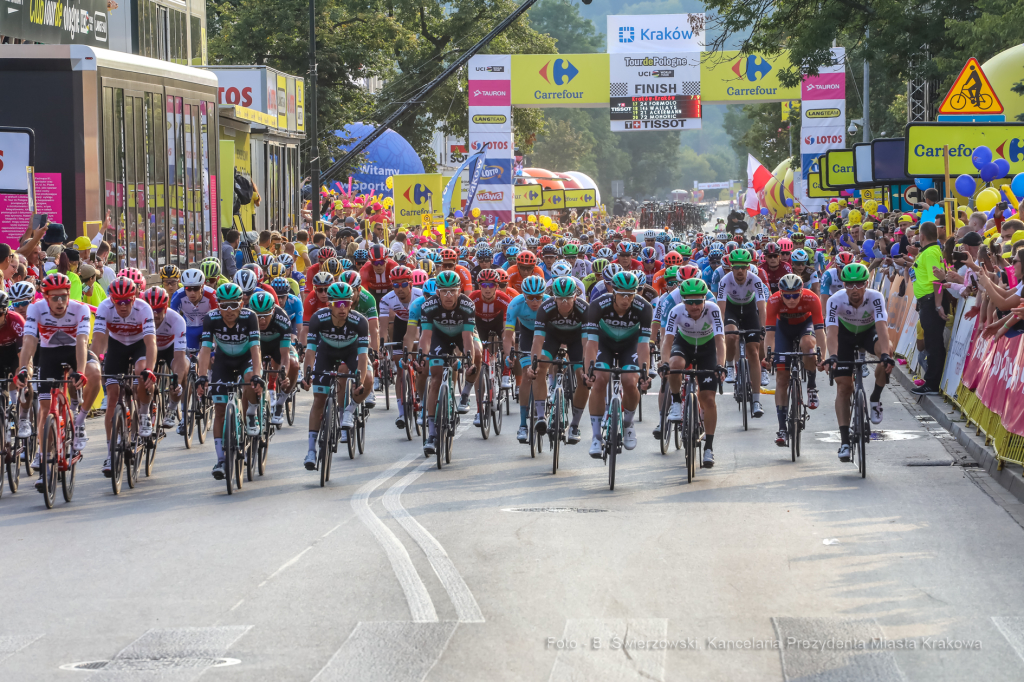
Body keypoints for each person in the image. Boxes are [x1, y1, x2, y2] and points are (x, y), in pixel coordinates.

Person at [16, 273, 102, 489]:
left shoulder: (79, 309)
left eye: (64, 296)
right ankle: (45, 460)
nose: (60, 302)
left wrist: (80, 372)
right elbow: (29, 341)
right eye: (55, 298)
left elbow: (82, 342)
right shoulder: (35, 309)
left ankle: (78, 419)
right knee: (45, 409)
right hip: (49, 354)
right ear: (45, 297)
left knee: (92, 374)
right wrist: (22, 370)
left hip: (75, 351)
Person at [820, 263, 895, 462]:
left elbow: (882, 327)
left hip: (867, 333)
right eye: (850, 285)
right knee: (844, 388)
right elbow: (832, 332)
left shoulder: (875, 297)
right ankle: (845, 441)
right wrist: (833, 355)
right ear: (844, 285)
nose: (855, 289)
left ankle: (875, 398)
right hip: (844, 336)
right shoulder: (835, 300)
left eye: (859, 284)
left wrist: (885, 354)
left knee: (887, 351)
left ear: (866, 283)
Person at [195, 283, 266, 480]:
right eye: (223, 306)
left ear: (241, 304)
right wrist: (202, 376)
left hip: (246, 360)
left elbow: (255, 349)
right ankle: (221, 459)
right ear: (218, 306)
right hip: (223, 361)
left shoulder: (249, 317)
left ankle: (251, 413)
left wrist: (258, 374)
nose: (228, 310)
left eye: (233, 305)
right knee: (219, 410)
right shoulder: (211, 318)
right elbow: (206, 350)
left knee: (250, 378)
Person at [582, 270, 653, 456]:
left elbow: (644, 345)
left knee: (630, 382)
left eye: (631, 295)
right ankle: (596, 436)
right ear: (613, 291)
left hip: (630, 346)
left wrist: (644, 373)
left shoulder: (644, 308)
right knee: (598, 379)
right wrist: (588, 370)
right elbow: (591, 342)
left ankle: (628, 423)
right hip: (603, 344)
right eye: (622, 294)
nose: (626, 299)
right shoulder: (598, 305)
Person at [92, 276, 158, 474]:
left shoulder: (144, 309)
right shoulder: (105, 307)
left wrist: (150, 371)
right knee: (112, 397)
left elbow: (151, 344)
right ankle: (110, 453)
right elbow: (98, 340)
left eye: (126, 301)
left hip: (139, 344)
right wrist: (94, 363)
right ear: (111, 299)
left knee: (141, 371)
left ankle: (144, 413)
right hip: (117, 345)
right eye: (117, 301)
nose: (122, 306)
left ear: (134, 297)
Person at [659, 278, 726, 467]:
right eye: (689, 302)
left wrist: (721, 365)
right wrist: (664, 363)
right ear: (683, 301)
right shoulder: (676, 311)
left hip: (707, 349)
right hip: (685, 345)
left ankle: (709, 448)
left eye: (698, 301)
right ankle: (676, 402)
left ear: (705, 299)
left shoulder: (713, 309)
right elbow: (668, 340)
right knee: (674, 364)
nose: (694, 306)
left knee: (709, 399)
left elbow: (720, 339)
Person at [418, 270, 478, 455]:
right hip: (439, 337)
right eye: (444, 291)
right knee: (435, 378)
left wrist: (469, 363)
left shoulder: (468, 305)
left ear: (460, 290)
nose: (449, 295)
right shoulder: (429, 306)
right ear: (438, 292)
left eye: (452, 290)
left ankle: (466, 392)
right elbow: (426, 337)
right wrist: (422, 357)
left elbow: (467, 339)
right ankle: (432, 434)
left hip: (461, 336)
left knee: (478, 352)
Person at [524, 277, 590, 445]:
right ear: (554, 297)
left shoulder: (584, 309)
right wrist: (533, 364)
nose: (564, 301)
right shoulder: (545, 308)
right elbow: (537, 341)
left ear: (575, 297)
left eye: (568, 297)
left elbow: (586, 343)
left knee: (583, 377)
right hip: (552, 337)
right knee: (540, 366)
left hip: (577, 340)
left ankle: (574, 425)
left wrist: (587, 367)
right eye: (560, 298)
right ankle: (541, 416)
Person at [764, 274, 826, 447]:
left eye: (795, 295)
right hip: (782, 329)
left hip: (805, 325)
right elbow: (769, 335)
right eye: (787, 295)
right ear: (781, 293)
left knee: (808, 344)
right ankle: (782, 428)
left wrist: (822, 357)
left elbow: (820, 332)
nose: (791, 299)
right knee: (782, 378)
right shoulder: (774, 300)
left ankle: (812, 387)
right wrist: (768, 357)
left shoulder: (811, 298)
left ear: (801, 292)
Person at [716, 248, 768, 417]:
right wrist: (720, 328)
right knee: (731, 335)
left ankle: (755, 400)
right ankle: (730, 365)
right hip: (731, 311)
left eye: (743, 267)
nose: (739, 271)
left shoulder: (756, 280)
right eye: (736, 267)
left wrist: (762, 327)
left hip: (749, 311)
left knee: (753, 352)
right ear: (731, 268)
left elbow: (761, 306)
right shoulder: (725, 281)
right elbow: (721, 309)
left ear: (748, 268)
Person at [140, 286, 188, 429]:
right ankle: (146, 408)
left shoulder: (177, 320)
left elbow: (180, 356)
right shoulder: (140, 318)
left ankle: (172, 409)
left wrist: (176, 382)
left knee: (182, 369)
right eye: (151, 310)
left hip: (170, 348)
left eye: (159, 310)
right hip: (149, 348)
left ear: (165, 308)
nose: (154, 315)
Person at [910, 221, 947, 395]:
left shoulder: (931, 252)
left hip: (932, 301)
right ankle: (931, 381)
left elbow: (937, 280)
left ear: (922, 236)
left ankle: (932, 384)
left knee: (933, 344)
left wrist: (938, 305)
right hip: (927, 301)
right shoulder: (927, 251)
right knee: (932, 343)